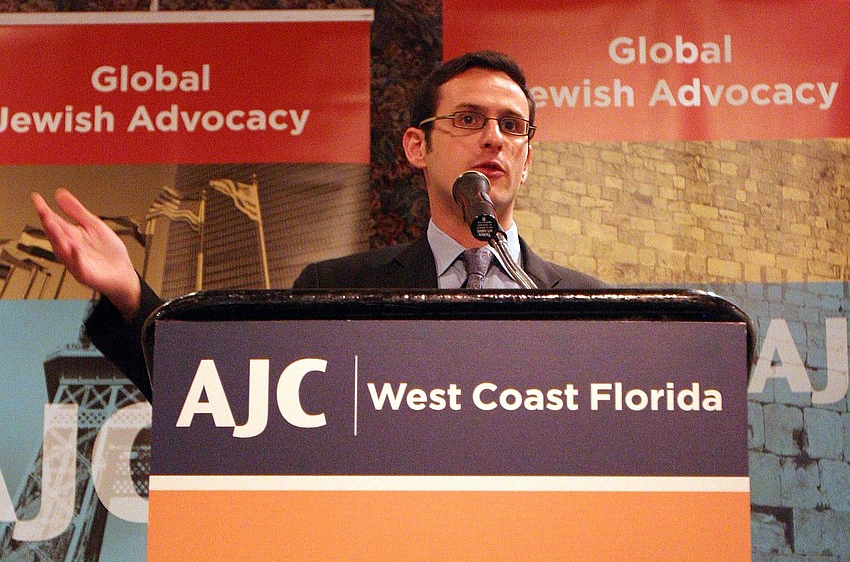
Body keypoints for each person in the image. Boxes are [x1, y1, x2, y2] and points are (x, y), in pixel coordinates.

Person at [32, 50, 601, 400]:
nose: (494, 138)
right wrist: (132, 296)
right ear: (416, 147)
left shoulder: (593, 308)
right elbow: (225, 402)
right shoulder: (337, 289)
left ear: (526, 158)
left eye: (512, 125)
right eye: (468, 119)